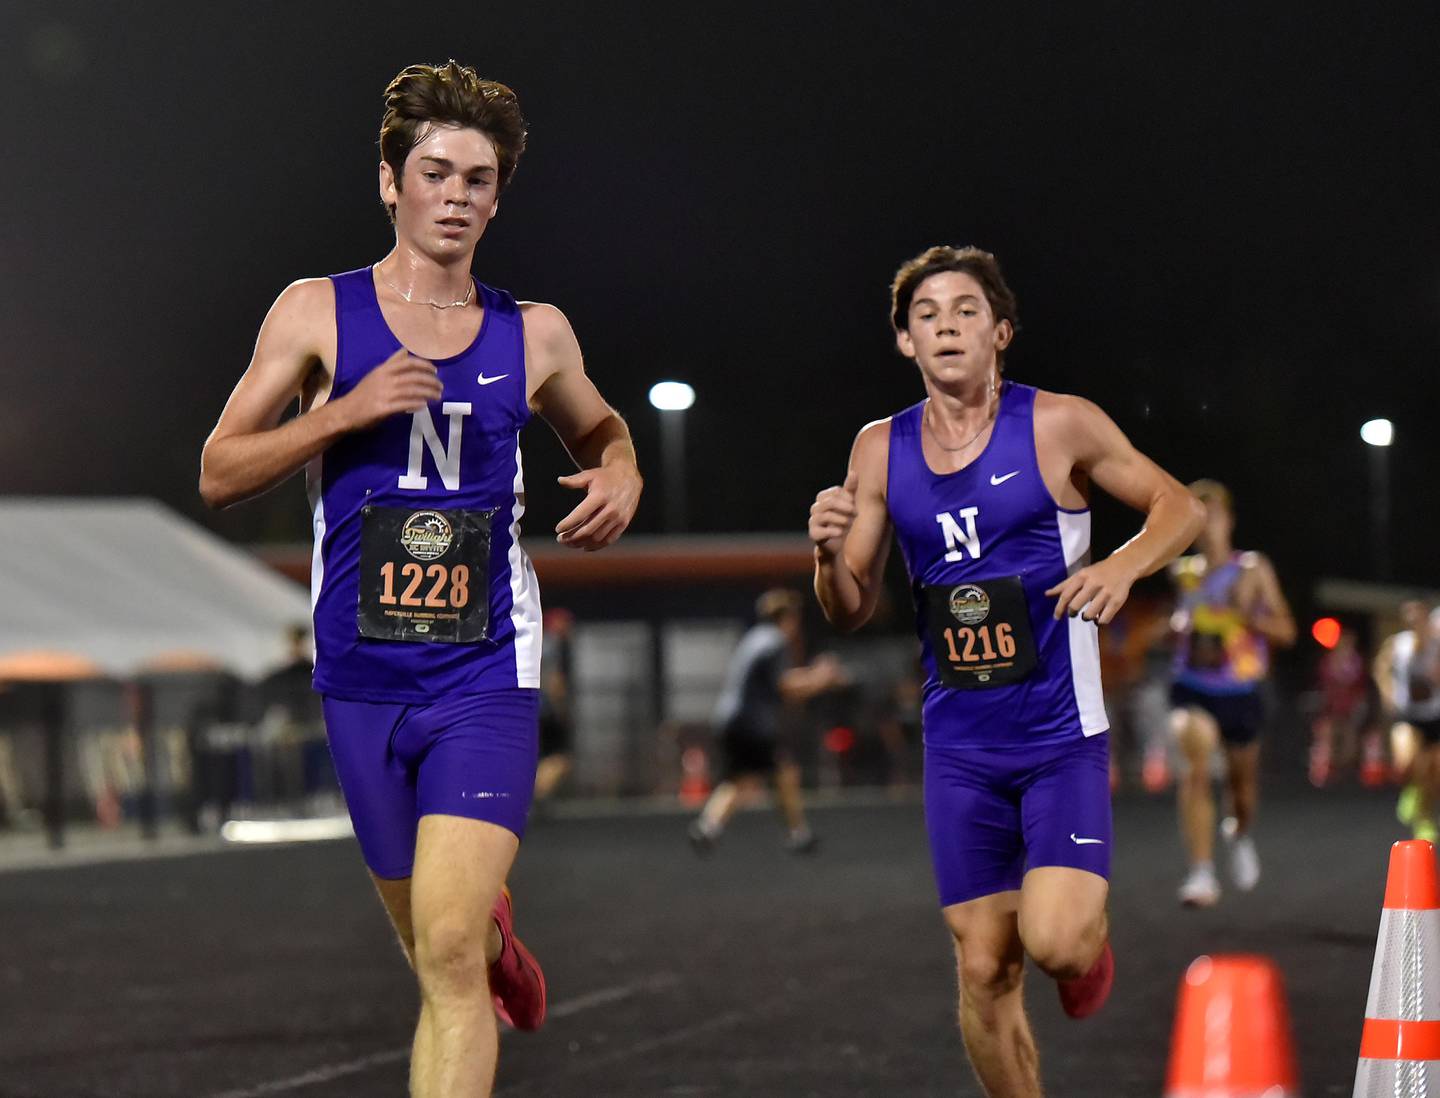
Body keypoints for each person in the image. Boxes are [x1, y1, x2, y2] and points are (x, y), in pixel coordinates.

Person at [198, 62, 642, 1098]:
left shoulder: (534, 332)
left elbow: (603, 423)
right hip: (360, 679)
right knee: (437, 945)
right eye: (436, 172)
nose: (457, 196)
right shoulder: (316, 313)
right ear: (390, 182)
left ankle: (476, 941)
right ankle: (500, 946)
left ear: (498, 196)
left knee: (441, 955)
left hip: (484, 673)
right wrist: (341, 414)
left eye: (478, 180)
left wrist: (620, 464)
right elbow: (219, 468)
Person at [808, 245, 1204, 1097]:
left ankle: (1085, 952)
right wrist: (824, 552)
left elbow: (1182, 504)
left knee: (1056, 944)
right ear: (905, 343)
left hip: (1061, 733)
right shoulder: (879, 451)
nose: (946, 324)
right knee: (984, 967)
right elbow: (848, 605)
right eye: (926, 315)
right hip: (960, 746)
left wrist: (1124, 565)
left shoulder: (1059, 423)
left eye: (965, 310)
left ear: (1001, 332)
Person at [1169, 480, 1296, 908]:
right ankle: (1201, 873)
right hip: (1191, 685)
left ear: (1230, 520)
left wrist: (1244, 615)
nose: (1206, 526)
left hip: (1240, 690)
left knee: (1241, 790)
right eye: (1197, 517)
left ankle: (1239, 832)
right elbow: (1181, 623)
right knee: (1195, 765)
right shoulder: (1182, 572)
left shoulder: (1252, 570)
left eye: (1214, 515)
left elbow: (1287, 630)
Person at [688, 589, 846, 854]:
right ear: (789, 617)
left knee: (739, 779)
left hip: (732, 720)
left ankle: (708, 827)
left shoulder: (755, 639)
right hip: (752, 724)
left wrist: (812, 676)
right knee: (784, 772)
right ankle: (798, 833)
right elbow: (785, 686)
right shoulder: (774, 642)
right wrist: (821, 679)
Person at [1375, 601, 1440, 841]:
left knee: (1434, 774)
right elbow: (1380, 666)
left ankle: (1425, 819)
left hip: (1434, 715)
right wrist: (1387, 690)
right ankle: (1410, 789)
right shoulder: (1397, 643)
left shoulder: (1436, 646)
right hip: (1407, 714)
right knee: (1406, 762)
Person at [532, 608, 576, 807]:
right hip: (545, 711)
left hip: (532, 707)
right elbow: (554, 682)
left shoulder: (537, 641)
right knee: (559, 757)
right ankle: (534, 796)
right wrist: (561, 710)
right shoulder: (551, 645)